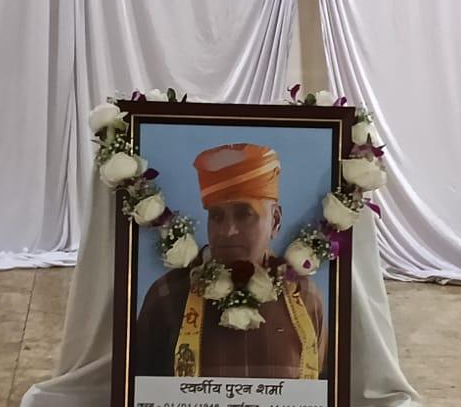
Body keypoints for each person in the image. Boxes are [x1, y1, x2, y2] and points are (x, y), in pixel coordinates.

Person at [132, 142, 328, 380]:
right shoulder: (167, 294)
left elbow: (320, 393)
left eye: (244, 214)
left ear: (275, 221)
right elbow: (138, 391)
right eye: (216, 216)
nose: (227, 231)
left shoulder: (304, 296)